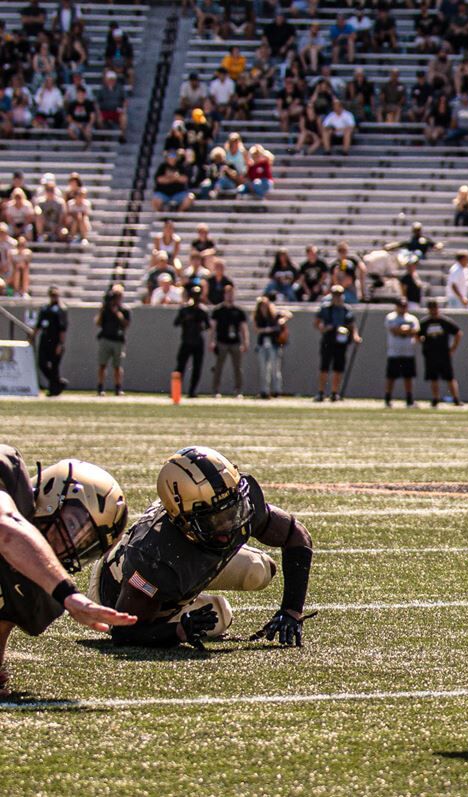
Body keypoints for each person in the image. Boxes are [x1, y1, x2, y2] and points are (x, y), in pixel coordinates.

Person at [95, 447, 315, 649]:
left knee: (258, 570)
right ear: (183, 521)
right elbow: (124, 632)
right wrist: (179, 631)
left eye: (233, 510)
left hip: (188, 559)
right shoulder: (154, 559)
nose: (229, 526)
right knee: (220, 616)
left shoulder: (240, 503)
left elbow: (297, 535)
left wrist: (291, 611)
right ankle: (183, 608)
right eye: (215, 519)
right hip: (118, 592)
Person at [0, 447, 135, 696]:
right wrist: (67, 593)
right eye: (74, 526)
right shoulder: (8, 478)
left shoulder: (37, 590)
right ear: (52, 495)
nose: (72, 547)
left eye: (87, 545)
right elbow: (5, 527)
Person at [315, 286, 359, 401]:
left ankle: (335, 392)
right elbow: (317, 323)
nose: (337, 297)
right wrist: (323, 328)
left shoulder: (346, 309)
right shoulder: (325, 308)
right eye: (335, 294)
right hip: (328, 338)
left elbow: (351, 324)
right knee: (324, 367)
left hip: (341, 339)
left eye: (339, 294)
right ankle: (321, 392)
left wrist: (355, 336)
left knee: (338, 367)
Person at [419, 300, 462, 407]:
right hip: (430, 354)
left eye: (435, 308)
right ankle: (435, 398)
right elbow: (417, 334)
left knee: (449, 377)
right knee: (433, 378)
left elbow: (458, 333)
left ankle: (456, 398)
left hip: (443, 353)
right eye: (431, 308)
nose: (433, 310)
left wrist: (453, 348)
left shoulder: (445, 321)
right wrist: (423, 343)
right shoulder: (425, 322)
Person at [209, 285, 249, 398]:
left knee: (238, 367)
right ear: (224, 294)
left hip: (235, 342)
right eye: (227, 293)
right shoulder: (218, 310)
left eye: (231, 293)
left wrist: (245, 341)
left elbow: (243, 328)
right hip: (221, 341)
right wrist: (211, 341)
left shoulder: (239, 311)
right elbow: (213, 328)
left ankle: (238, 390)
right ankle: (215, 390)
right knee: (218, 367)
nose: (230, 296)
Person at [30, 285, 67, 396]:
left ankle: (53, 389)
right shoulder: (45, 308)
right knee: (42, 364)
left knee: (54, 366)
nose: (54, 297)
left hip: (55, 340)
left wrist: (60, 344)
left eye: (55, 295)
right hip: (45, 339)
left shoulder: (61, 310)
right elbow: (38, 325)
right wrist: (32, 336)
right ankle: (58, 383)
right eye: (52, 295)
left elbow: (63, 329)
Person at [95, 285, 131, 396]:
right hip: (105, 338)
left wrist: (117, 313)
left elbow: (126, 324)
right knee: (102, 365)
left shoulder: (124, 310)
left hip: (118, 340)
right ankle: (100, 387)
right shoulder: (105, 309)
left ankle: (118, 387)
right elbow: (98, 323)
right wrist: (103, 310)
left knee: (117, 366)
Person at [174, 288, 210, 398]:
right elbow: (176, 323)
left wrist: (200, 327)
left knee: (197, 367)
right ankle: (176, 390)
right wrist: (186, 319)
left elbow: (208, 325)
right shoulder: (185, 309)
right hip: (186, 340)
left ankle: (192, 391)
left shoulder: (202, 310)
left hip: (198, 341)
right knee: (180, 366)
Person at [384, 297, 419, 408]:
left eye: (404, 306)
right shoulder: (391, 317)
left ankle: (409, 399)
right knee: (391, 377)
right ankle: (388, 398)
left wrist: (403, 329)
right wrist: (405, 330)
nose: (403, 308)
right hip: (394, 352)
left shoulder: (412, 318)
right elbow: (394, 330)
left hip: (408, 352)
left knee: (408, 377)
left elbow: (415, 331)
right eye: (400, 306)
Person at [253, 294, 290, 399]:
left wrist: (281, 321)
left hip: (274, 344)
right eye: (261, 306)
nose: (263, 308)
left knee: (275, 368)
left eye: (265, 305)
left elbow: (288, 314)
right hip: (262, 344)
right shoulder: (258, 317)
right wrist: (266, 330)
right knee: (264, 369)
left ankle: (277, 390)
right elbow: (256, 329)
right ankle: (265, 391)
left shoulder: (274, 315)